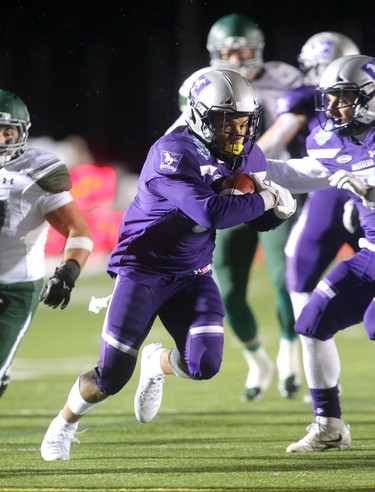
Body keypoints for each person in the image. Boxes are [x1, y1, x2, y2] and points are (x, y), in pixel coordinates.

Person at [40, 69, 296, 461]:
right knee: (111, 377)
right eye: (226, 124)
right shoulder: (172, 152)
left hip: (192, 273)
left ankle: (157, 362)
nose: (237, 134)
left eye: (244, 123)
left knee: (205, 363)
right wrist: (267, 200)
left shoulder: (248, 153)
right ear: (198, 117)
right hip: (142, 271)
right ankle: (65, 423)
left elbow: (253, 220)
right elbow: (210, 211)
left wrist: (277, 212)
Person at [169, 13, 304, 402]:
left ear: (257, 49)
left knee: (284, 278)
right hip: (227, 190)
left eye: (241, 48)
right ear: (214, 52)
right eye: (227, 50)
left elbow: (289, 128)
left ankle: (290, 357)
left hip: (273, 182)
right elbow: (181, 133)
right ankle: (257, 360)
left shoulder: (284, 79)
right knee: (227, 287)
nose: (234, 55)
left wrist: (255, 163)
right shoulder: (200, 84)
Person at [258, 54, 375, 452]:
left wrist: (368, 188)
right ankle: (329, 425)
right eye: (330, 97)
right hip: (371, 253)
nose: (332, 107)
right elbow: (304, 173)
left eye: (343, 97)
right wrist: (247, 166)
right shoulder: (334, 138)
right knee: (311, 323)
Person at [0, 89, 93, 398]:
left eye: (7, 131)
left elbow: (77, 229)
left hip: (14, 287)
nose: (1, 140)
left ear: (21, 133)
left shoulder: (35, 172)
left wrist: (67, 272)